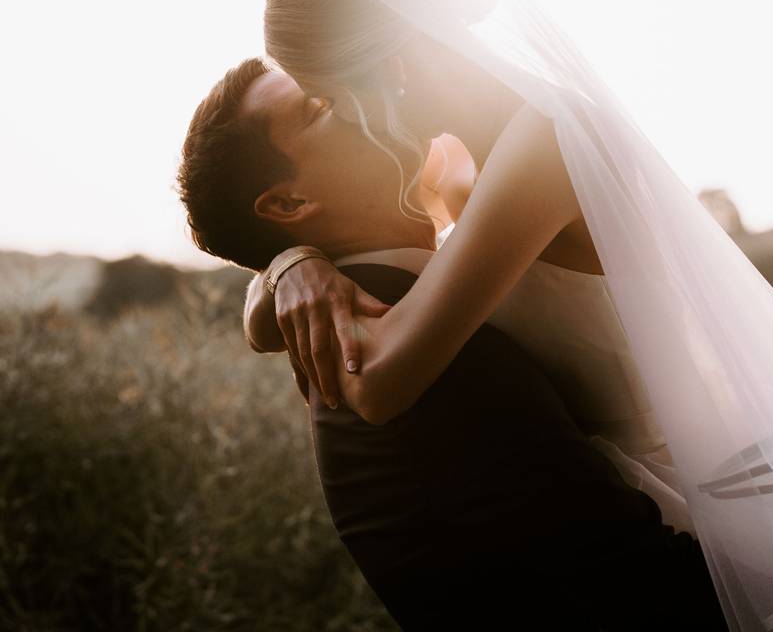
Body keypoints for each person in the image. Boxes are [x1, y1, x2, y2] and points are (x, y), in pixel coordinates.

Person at [238, 0, 773, 630]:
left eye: (322, 96)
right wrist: (288, 265)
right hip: (643, 503)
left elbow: (379, 381)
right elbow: (265, 323)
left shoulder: (542, 140)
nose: (335, 112)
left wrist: (299, 273)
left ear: (378, 64)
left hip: (716, 521)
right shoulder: (455, 162)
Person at [176, 58, 728, 630]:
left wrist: (286, 264)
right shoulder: (370, 330)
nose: (358, 92)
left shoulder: (473, 216)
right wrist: (283, 268)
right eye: (319, 106)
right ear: (290, 205)